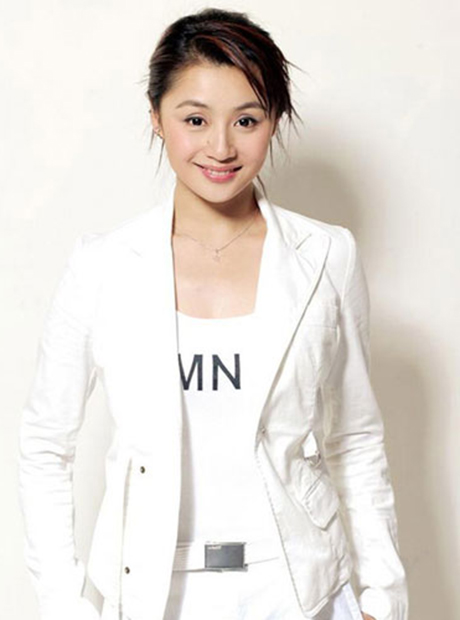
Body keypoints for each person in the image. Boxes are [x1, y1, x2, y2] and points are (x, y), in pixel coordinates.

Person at [18, 7, 409, 620]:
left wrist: (383, 598)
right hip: (152, 595)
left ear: (273, 121)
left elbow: (355, 439)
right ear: (157, 118)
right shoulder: (102, 266)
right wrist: (64, 606)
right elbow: (46, 444)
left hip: (301, 593)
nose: (221, 147)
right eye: (195, 119)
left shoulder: (326, 256)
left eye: (246, 120)